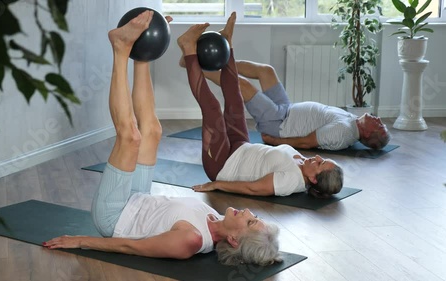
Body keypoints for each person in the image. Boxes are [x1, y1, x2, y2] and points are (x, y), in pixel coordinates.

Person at [44, 11, 281, 266]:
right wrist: (150, 43)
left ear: (234, 240)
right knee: (153, 131)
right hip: (138, 197)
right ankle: (142, 55)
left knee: (131, 137)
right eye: (253, 216)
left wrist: (81, 241)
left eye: (249, 221)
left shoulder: (190, 241)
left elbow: (130, 246)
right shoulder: (213, 217)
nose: (247, 211)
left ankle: (121, 48)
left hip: (115, 216)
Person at [178, 12, 343, 198]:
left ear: (313, 179)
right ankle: (227, 42)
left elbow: (253, 188)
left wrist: (217, 184)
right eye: (323, 159)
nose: (318, 158)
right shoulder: (303, 162)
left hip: (223, 164)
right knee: (236, 100)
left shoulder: (291, 181)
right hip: (241, 145)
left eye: (320, 164)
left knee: (213, 109)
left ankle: (188, 47)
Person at [180, 55, 390, 151]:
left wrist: (275, 142)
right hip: (286, 109)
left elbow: (307, 142)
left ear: (369, 134)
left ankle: (193, 65)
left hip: (279, 123)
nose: (378, 119)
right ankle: (218, 60)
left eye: (379, 125)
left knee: (242, 85)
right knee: (266, 71)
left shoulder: (343, 132)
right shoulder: (352, 121)